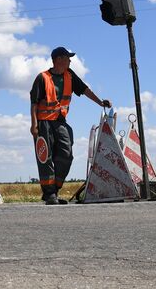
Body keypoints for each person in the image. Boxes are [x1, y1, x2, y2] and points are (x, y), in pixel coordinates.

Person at [30, 46, 111, 205]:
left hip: (60, 122)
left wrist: (100, 102)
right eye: (67, 58)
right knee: (45, 158)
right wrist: (33, 125)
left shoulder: (70, 75)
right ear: (58, 59)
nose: (70, 61)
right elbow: (34, 103)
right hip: (43, 123)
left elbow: (85, 90)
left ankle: (55, 188)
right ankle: (49, 194)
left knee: (66, 154)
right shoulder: (42, 78)